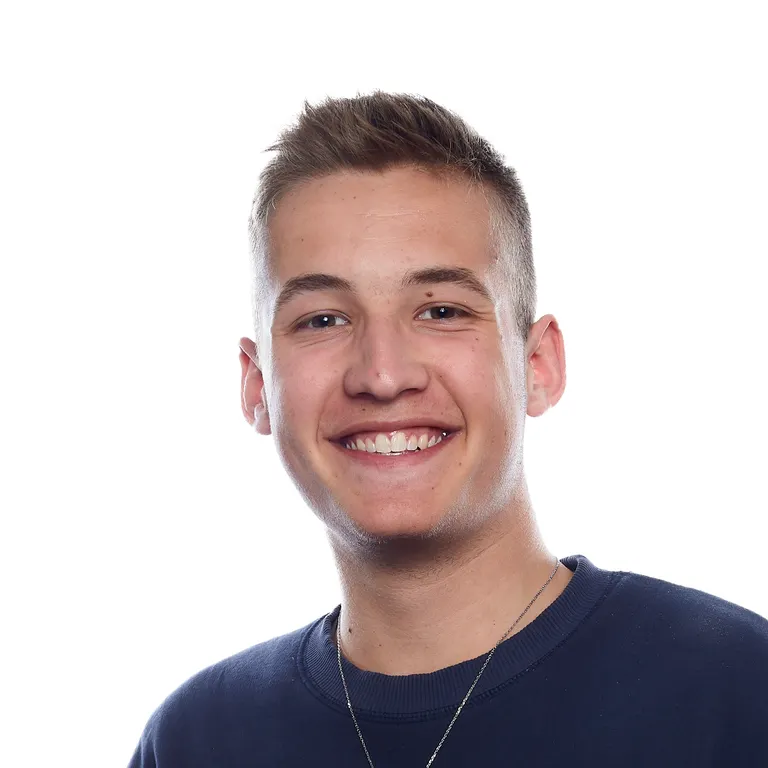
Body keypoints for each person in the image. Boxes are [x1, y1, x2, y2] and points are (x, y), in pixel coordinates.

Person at [128, 92, 768, 767]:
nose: (382, 375)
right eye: (323, 320)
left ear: (538, 365)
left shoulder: (732, 692)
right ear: (258, 386)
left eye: (440, 311)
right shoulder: (196, 741)